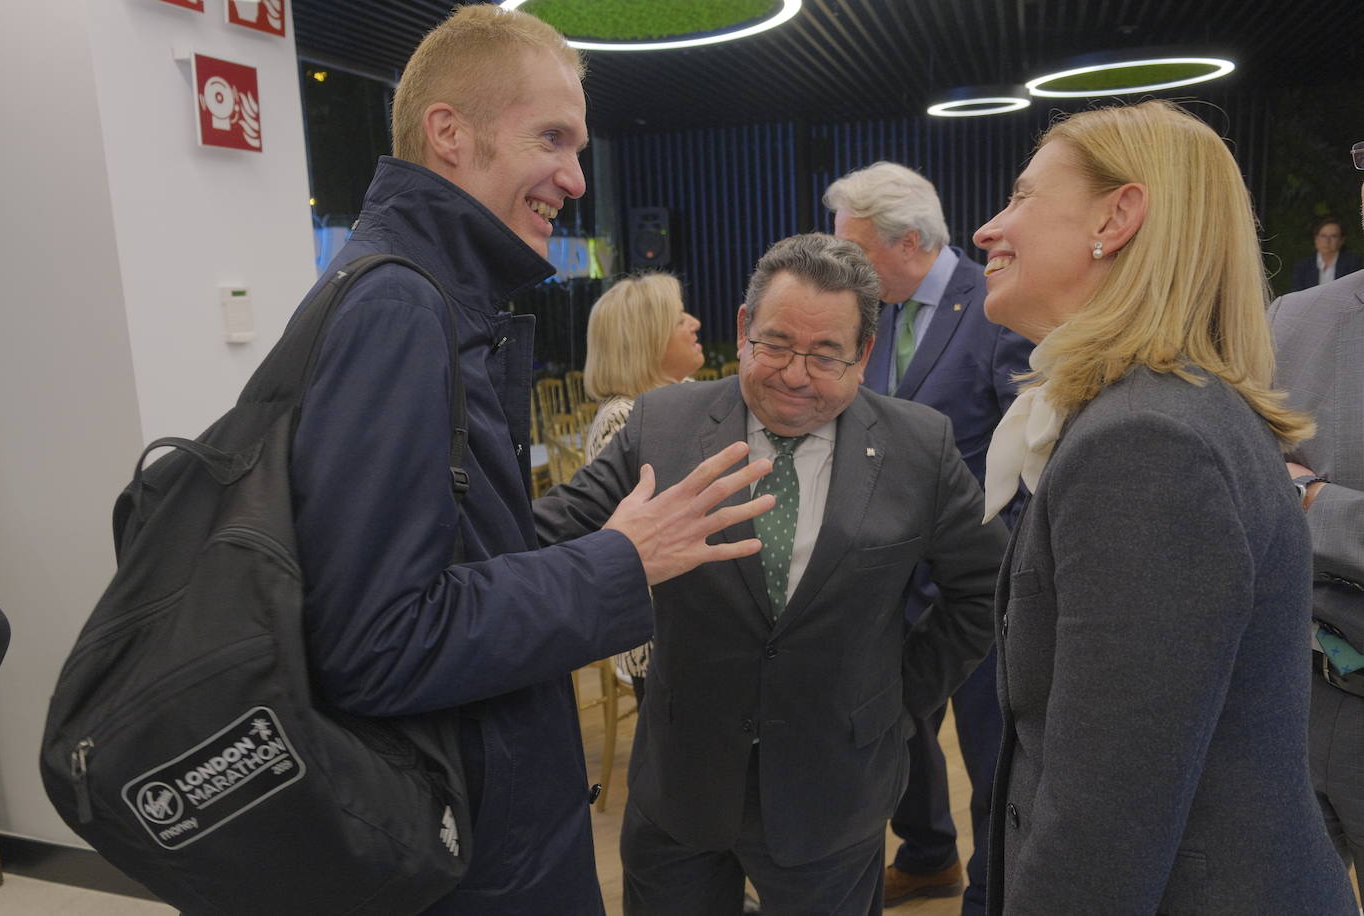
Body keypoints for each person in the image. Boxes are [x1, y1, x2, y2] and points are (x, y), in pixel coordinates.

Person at [287, 7, 772, 914]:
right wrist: (623, 560)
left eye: (581, 146)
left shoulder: (429, 299)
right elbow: (377, 642)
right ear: (449, 135)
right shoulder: (399, 311)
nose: (577, 178)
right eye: (551, 137)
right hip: (473, 854)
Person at [536, 233, 1009, 916]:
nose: (794, 374)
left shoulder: (918, 446)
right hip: (681, 787)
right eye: (777, 345)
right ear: (743, 328)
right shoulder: (662, 424)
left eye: (824, 355)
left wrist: (898, 694)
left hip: (833, 792)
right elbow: (553, 534)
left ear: (864, 354)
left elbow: (983, 585)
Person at [973, 99, 1357, 915]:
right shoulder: (1162, 413)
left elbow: (1103, 829)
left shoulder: (1146, 442)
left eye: (1022, 197)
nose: (988, 230)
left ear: (1117, 217)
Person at [826, 162, 1032, 911]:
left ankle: (987, 895)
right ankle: (928, 855)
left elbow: (1027, 445)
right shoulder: (874, 310)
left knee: (988, 750)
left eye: (854, 248)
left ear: (907, 240)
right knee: (901, 730)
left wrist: (1001, 562)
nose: (844, 265)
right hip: (887, 581)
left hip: (975, 586)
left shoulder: (998, 301)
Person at [1269, 137, 1364, 901]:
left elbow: (1282, 490)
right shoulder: (1294, 319)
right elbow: (1243, 472)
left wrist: (1313, 503)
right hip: (1290, 697)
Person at [583, 271, 705, 705]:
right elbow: (631, 545)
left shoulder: (687, 396)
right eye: (678, 320)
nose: (695, 323)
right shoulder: (622, 418)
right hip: (663, 637)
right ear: (646, 341)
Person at [1291, 216, 1363, 291]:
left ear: (1341, 240)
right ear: (1316, 239)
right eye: (1323, 236)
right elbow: (1297, 294)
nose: (1327, 241)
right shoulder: (1303, 267)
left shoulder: (1353, 264)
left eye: (1333, 236)